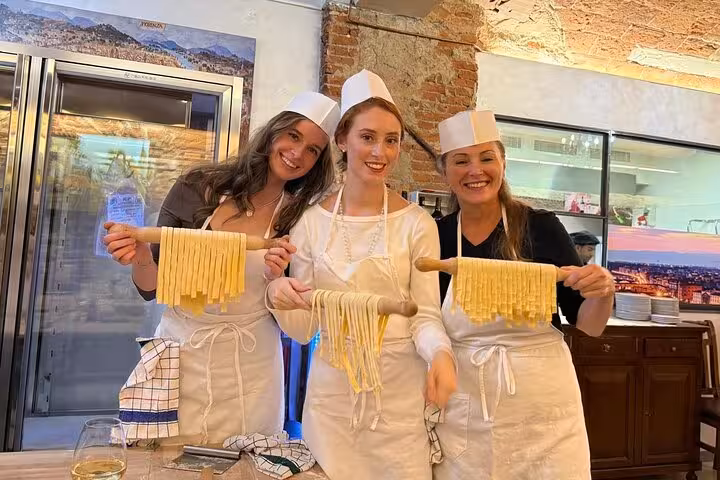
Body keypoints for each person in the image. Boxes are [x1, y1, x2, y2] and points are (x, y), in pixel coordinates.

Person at [103, 92, 340, 445]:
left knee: (246, 460)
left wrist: (278, 279)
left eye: (313, 150)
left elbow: (297, 320)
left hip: (252, 367)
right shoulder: (198, 187)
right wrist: (139, 255)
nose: (298, 154)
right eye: (294, 136)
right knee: (168, 458)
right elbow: (152, 287)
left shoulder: (298, 218)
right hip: (182, 355)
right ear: (274, 133)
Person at [265, 70, 456, 480]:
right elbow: (303, 329)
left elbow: (424, 315)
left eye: (392, 140)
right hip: (331, 395)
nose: (380, 152)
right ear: (342, 141)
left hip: (399, 396)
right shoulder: (310, 223)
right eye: (367, 137)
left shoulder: (418, 224)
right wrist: (278, 294)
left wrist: (440, 353)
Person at [432, 110, 615, 479]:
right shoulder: (434, 235)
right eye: (461, 161)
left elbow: (589, 325)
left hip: (543, 409)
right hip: (467, 403)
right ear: (445, 170)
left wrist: (603, 291)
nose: (475, 171)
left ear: (503, 162)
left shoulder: (542, 227)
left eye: (486, 158)